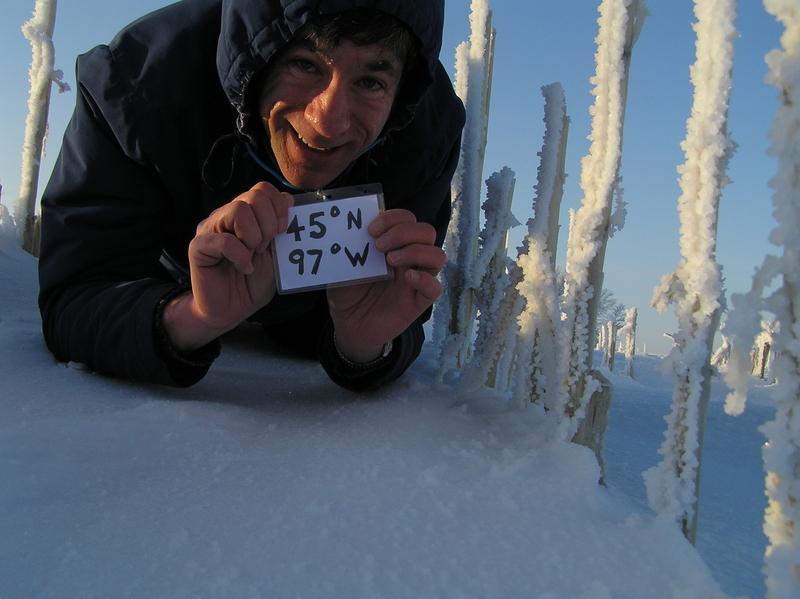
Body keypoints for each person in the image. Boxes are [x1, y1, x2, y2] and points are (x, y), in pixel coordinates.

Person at [38, 0, 465, 392]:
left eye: (371, 82)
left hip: (315, 315)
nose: (328, 123)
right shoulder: (136, 83)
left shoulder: (427, 132)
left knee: (301, 339)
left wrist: (364, 346)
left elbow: (395, 311)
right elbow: (78, 292)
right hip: (165, 276)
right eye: (305, 64)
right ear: (260, 54)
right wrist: (194, 315)